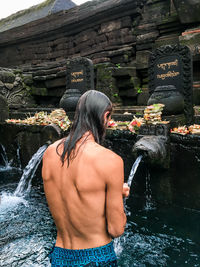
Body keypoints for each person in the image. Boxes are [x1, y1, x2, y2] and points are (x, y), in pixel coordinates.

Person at [42, 90, 130, 267]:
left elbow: (72, 196)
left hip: (59, 256)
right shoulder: (110, 160)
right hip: (96, 257)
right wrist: (118, 195)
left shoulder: (50, 152)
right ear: (105, 116)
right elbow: (116, 229)